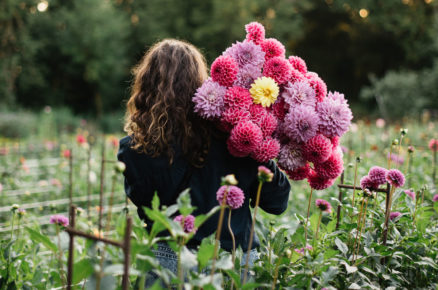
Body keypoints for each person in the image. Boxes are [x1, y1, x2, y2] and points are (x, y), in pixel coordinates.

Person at [117, 39, 291, 284]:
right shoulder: (237, 138)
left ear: (145, 85)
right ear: (201, 82)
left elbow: (147, 208)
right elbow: (277, 203)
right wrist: (260, 149)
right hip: (235, 263)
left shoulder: (133, 149)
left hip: (168, 264)